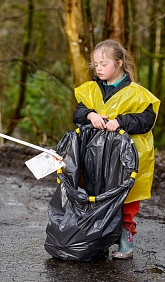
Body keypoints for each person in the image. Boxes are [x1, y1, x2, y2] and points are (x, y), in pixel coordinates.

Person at [73, 39, 160, 259]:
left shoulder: (137, 93)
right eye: (96, 65)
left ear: (119, 63)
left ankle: (125, 235)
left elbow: (147, 120)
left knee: (127, 195)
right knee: (98, 195)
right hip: (99, 155)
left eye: (104, 64)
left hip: (127, 155)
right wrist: (90, 115)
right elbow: (78, 113)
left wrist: (121, 121)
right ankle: (99, 237)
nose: (99, 69)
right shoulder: (91, 90)